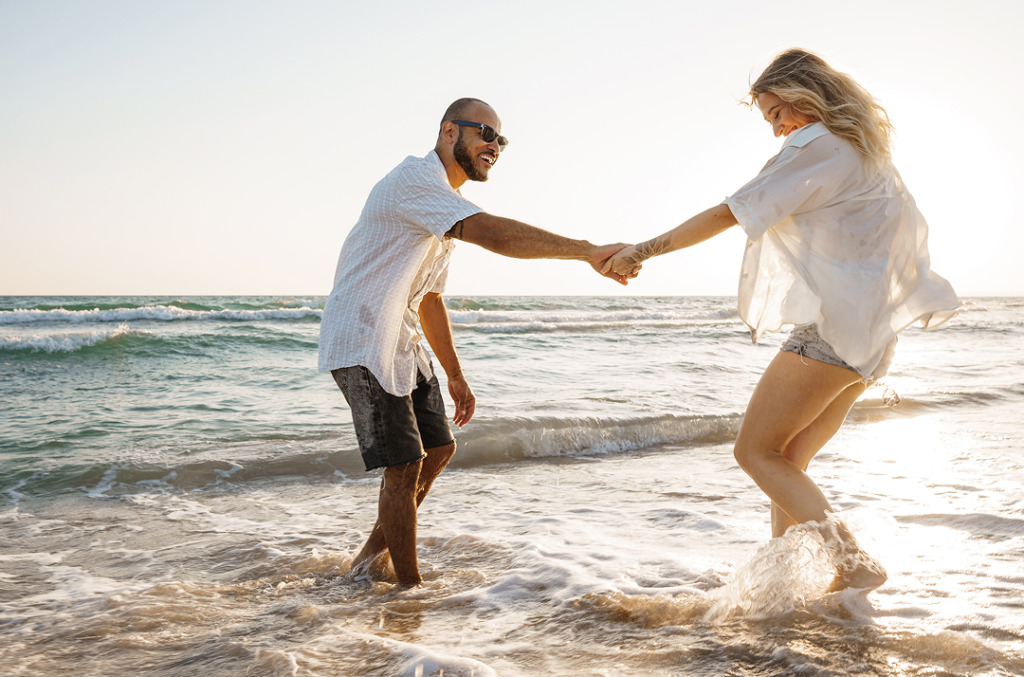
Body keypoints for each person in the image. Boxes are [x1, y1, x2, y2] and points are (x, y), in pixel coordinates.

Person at [604, 49, 959, 591]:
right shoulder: (870, 155)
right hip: (869, 338)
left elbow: (733, 210)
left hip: (832, 333)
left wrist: (642, 250)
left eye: (776, 114)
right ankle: (784, 582)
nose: (776, 130)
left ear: (804, 98)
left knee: (754, 452)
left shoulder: (816, 144)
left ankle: (853, 561)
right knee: (789, 458)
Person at [319, 97, 630, 586]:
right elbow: (494, 236)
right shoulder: (415, 181)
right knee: (403, 465)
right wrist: (586, 251)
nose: (494, 146)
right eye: (484, 133)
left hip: (398, 333)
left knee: (439, 449)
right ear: (449, 132)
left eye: (501, 140)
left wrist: (456, 374)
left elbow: (430, 299)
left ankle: (365, 565)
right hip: (359, 333)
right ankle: (407, 591)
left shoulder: (442, 203)